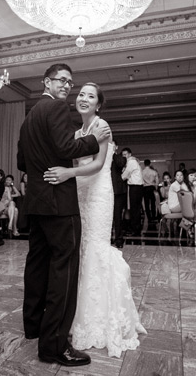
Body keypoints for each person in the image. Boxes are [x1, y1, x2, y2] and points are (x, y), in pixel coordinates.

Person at [43, 82, 146, 358]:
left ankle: (102, 317)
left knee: (96, 248)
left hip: (99, 194)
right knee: (82, 249)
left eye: (90, 96)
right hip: (80, 192)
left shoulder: (102, 126)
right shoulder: (77, 132)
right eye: (81, 95)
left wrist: (66, 173)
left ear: (98, 104)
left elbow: (99, 165)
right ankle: (79, 315)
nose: (84, 99)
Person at [18, 63, 110, 367]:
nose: (67, 86)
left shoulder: (29, 116)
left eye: (70, 82)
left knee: (37, 266)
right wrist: (94, 139)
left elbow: (21, 161)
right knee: (64, 271)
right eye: (62, 81)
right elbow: (65, 145)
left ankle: (32, 326)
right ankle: (54, 346)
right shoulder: (56, 108)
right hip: (59, 202)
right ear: (47, 81)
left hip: (37, 203)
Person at [121, 148, 143, 236]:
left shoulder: (131, 162)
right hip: (138, 187)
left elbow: (125, 175)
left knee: (134, 209)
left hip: (135, 187)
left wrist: (118, 177)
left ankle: (135, 230)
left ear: (130, 154)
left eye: (125, 154)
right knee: (136, 209)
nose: (124, 156)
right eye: (123, 155)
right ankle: (136, 229)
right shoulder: (133, 161)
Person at [111, 141, 126, 248]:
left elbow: (120, 164)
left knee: (117, 216)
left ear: (116, 147)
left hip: (117, 191)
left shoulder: (120, 158)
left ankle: (119, 239)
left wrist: (112, 153)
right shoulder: (101, 157)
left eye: (111, 144)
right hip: (105, 191)